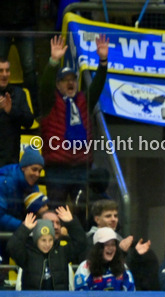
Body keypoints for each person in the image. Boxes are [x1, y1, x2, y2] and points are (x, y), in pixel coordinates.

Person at [39, 34, 109, 203]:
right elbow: (44, 86)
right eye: (65, 81)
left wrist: (103, 62)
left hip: (81, 168)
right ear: (58, 85)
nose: (70, 83)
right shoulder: (50, 102)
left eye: (73, 80)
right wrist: (53, 62)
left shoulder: (84, 101)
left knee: (82, 210)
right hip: (57, 169)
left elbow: (97, 86)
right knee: (57, 210)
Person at [8, 208, 86, 290]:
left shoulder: (62, 252)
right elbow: (12, 247)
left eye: (50, 240)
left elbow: (81, 243)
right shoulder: (27, 254)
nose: (47, 244)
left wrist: (71, 223)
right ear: (36, 239)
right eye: (43, 240)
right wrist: (24, 229)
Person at [0, 147, 44, 239]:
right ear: (23, 168)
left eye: (39, 171)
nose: (37, 174)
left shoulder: (31, 185)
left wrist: (42, 213)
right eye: (34, 169)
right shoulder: (4, 182)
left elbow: (38, 211)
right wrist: (22, 226)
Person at [74, 226, 135, 291]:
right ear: (98, 248)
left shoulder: (122, 267)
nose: (110, 248)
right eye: (106, 244)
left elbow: (130, 294)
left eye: (113, 244)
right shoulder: (85, 268)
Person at [0, 58, 33, 168]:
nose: (4, 74)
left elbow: (29, 122)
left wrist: (11, 111)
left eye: (7, 70)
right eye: (0, 71)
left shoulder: (19, 94)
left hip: (10, 162)